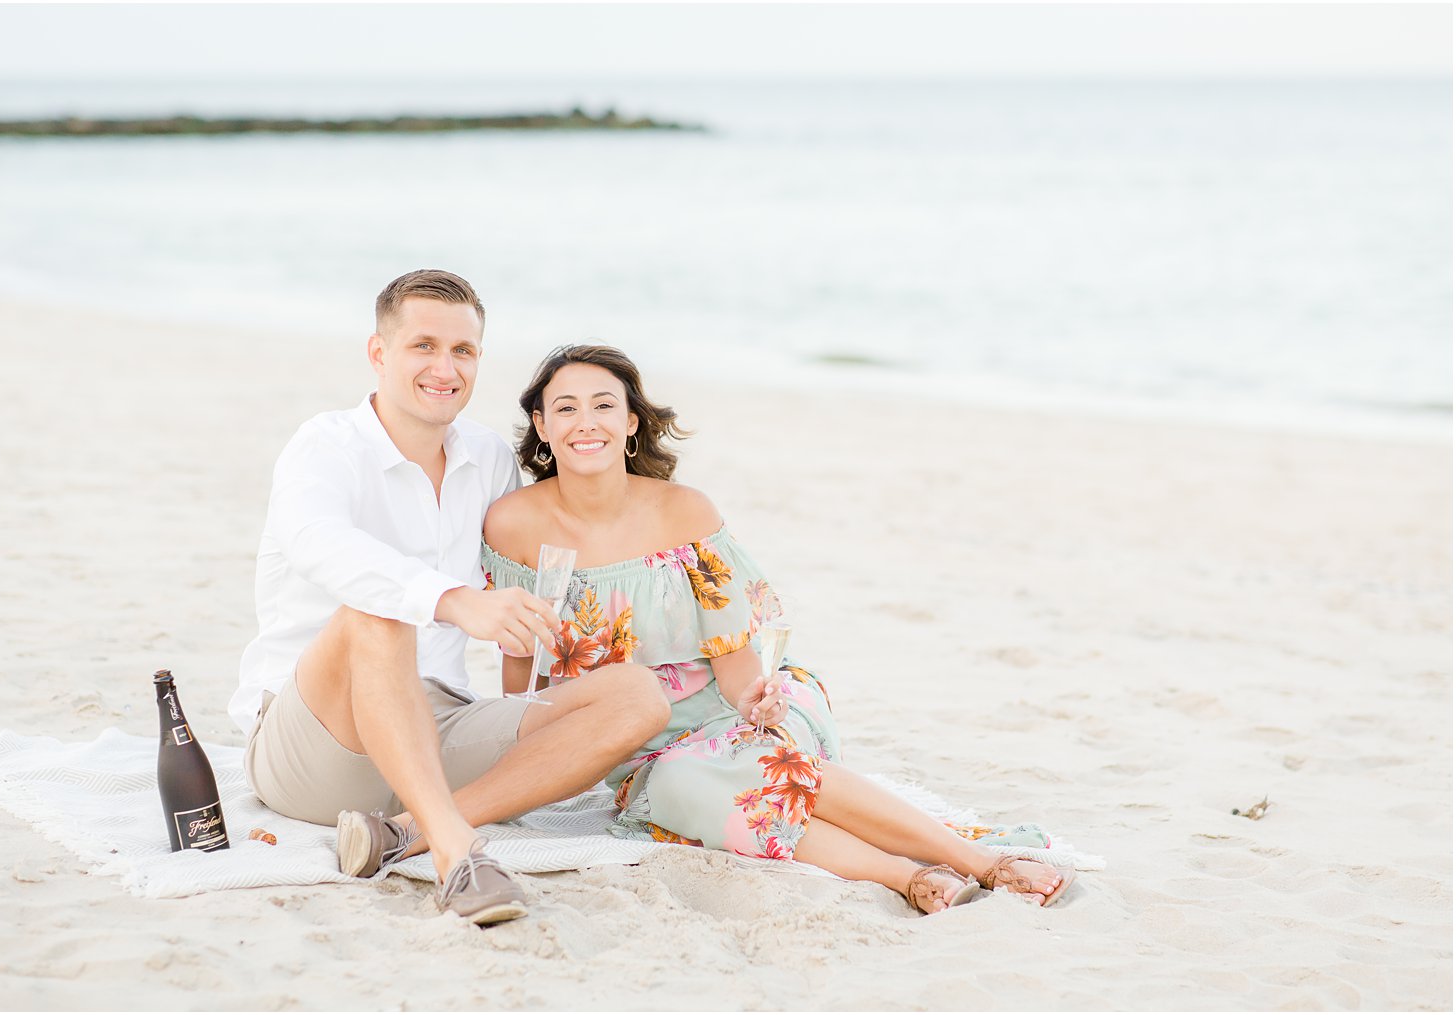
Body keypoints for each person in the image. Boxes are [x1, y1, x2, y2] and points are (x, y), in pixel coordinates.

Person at [480, 345, 1075, 914]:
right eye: (566, 407)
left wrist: (756, 703)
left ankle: (970, 864)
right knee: (695, 787)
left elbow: (735, 662)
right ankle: (911, 874)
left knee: (754, 765)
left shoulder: (683, 512)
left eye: (604, 405)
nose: (587, 422)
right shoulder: (514, 526)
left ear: (632, 422)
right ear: (541, 425)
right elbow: (521, 686)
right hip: (631, 740)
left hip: (727, 707)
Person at [230, 273, 671, 925]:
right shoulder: (324, 447)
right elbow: (317, 543)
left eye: (463, 351)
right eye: (424, 346)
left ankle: (402, 831)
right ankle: (456, 852)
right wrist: (455, 600)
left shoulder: (488, 457)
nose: (445, 368)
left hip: (437, 727)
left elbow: (536, 550)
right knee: (377, 614)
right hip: (317, 741)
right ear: (379, 353)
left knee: (639, 693)